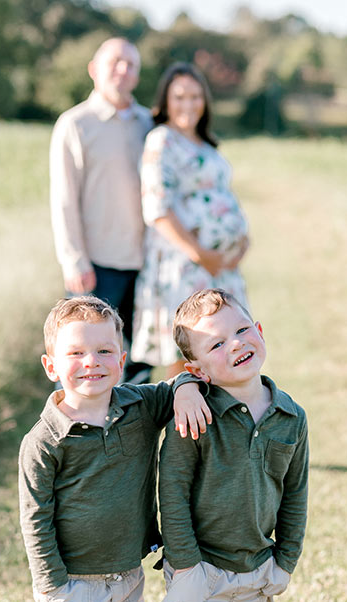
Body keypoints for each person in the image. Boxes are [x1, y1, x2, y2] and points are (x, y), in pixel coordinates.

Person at [19, 296, 211, 602]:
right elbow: (34, 518)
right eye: (77, 354)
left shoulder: (138, 406)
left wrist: (187, 388)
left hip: (126, 574)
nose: (92, 363)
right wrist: (50, 585)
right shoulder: (44, 441)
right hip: (70, 581)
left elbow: (178, 382)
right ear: (51, 365)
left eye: (105, 351)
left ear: (122, 359)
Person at [130, 289, 309, 602]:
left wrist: (285, 560)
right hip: (199, 566)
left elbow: (295, 492)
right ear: (199, 369)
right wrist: (185, 565)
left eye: (241, 330)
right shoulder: (197, 414)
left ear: (261, 330)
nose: (235, 345)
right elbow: (174, 490)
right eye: (215, 344)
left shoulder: (291, 417)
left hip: (256, 565)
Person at [131, 63, 250, 378]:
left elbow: (224, 194)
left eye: (196, 96)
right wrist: (201, 254)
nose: (188, 104)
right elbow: (156, 208)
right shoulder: (162, 140)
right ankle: (182, 424)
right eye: (179, 96)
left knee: (225, 352)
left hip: (220, 268)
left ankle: (217, 426)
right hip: (185, 263)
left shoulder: (206, 144)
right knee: (188, 357)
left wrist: (241, 241)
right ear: (165, 101)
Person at [50, 38, 153, 383]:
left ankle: (137, 433)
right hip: (97, 265)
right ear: (94, 70)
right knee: (92, 363)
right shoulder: (75, 124)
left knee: (140, 361)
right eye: (115, 62)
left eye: (131, 65)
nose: (123, 70)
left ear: (138, 75)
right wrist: (73, 259)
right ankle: (92, 433)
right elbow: (64, 198)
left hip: (147, 262)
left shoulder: (149, 123)